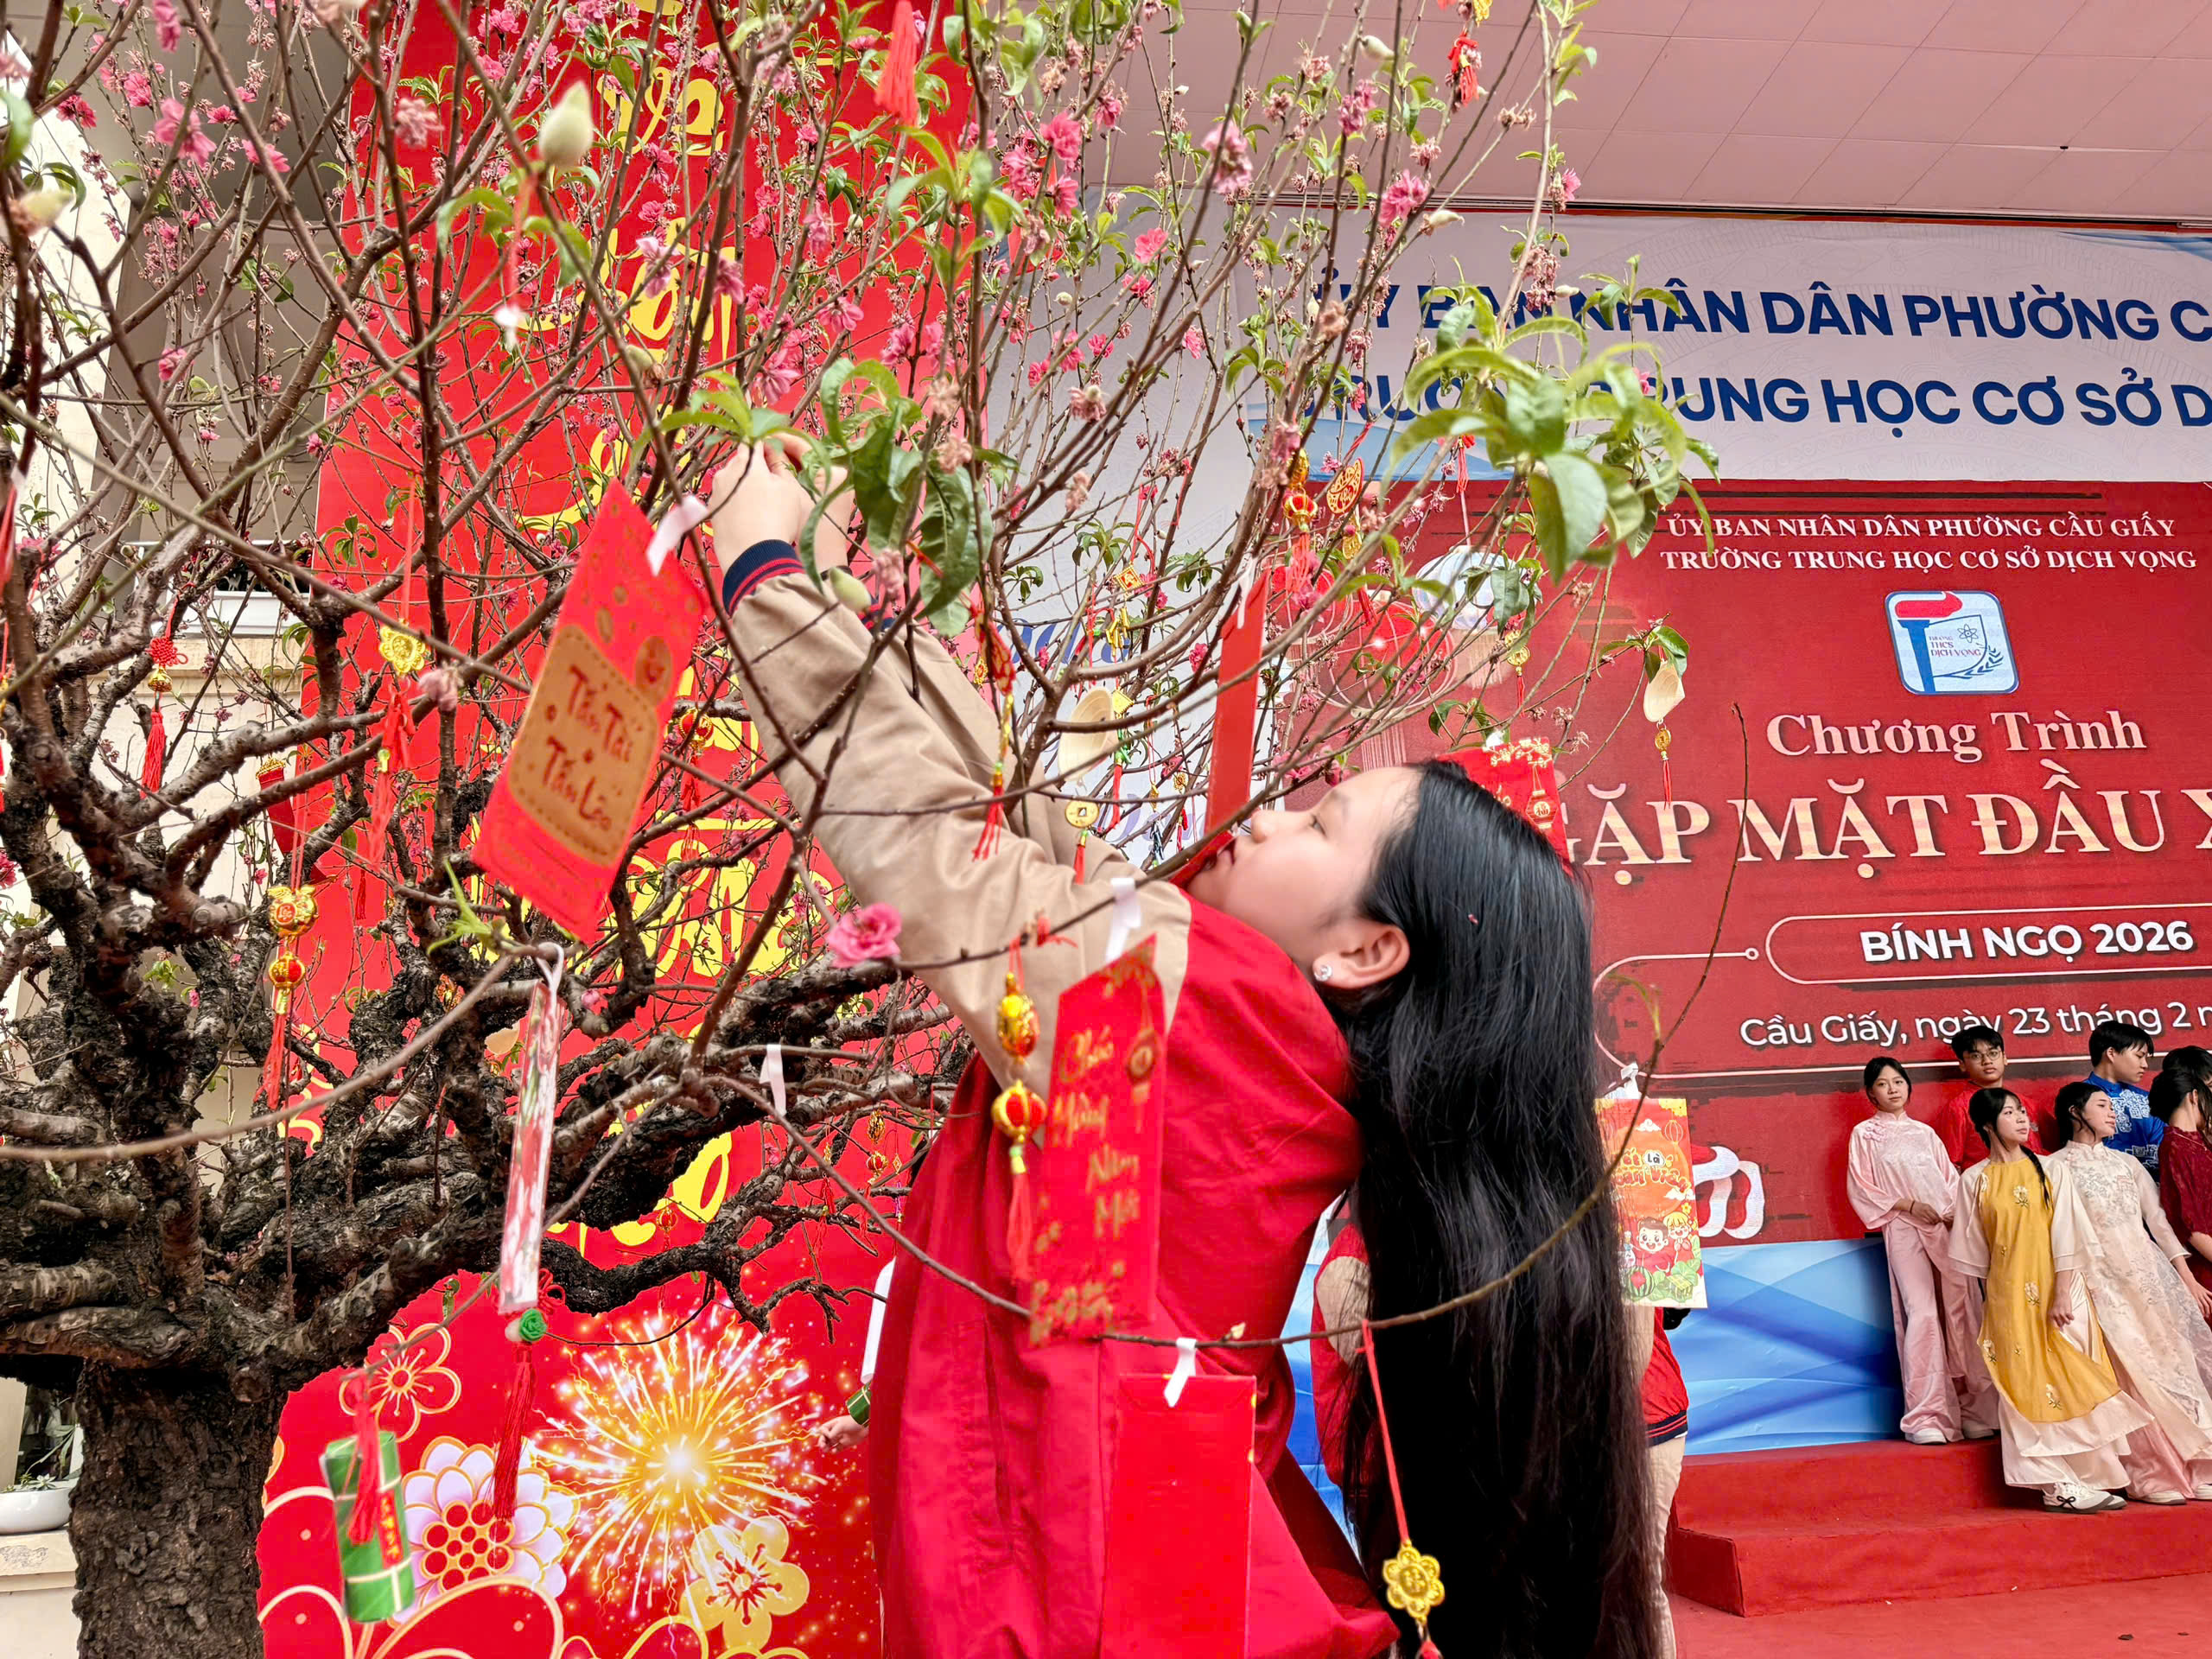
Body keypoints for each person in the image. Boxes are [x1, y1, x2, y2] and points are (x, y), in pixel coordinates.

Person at [708, 443, 1659, 1659]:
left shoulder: (1204, 1009)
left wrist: (764, 574)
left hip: (1081, 1589)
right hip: (1136, 1566)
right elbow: (1024, 828)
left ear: (1364, 951)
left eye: (1317, 823)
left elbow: (942, 858)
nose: (1264, 818)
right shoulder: (1255, 1039)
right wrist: (846, 593)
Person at [1949, 1088, 2150, 1512]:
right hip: (2007, 1300)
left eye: (2022, 1111)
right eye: (2010, 1113)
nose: (2023, 1119)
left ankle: (2085, 1478)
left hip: (2060, 1296)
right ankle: (2054, 1485)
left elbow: (2067, 1235)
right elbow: (1978, 1256)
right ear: (1986, 1125)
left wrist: (2061, 1295)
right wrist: (1997, 1305)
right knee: (2021, 1384)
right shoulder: (1973, 1180)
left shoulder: (2050, 1169)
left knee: (2070, 1378)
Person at [2048, 1081, 2212, 1502]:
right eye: (2102, 1105)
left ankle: (2198, 1466)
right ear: (2075, 1112)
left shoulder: (2127, 1163)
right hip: (2098, 1278)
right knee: (2130, 1371)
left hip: (2146, 1275)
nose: (2112, 1113)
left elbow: (2158, 1222)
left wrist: (2185, 1277)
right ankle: (2151, 1474)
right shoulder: (2054, 1167)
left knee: (2173, 1363)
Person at [1846, 1057, 1995, 1444]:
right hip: (1903, 1228)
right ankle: (1927, 1415)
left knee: (1960, 1311)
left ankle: (1970, 1410)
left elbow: (1950, 1181)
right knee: (1924, 1313)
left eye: (1898, 1081)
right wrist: (1909, 1206)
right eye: (1883, 1084)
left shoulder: (1925, 1133)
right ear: (1871, 1094)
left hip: (1945, 1228)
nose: (1893, 1089)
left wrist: (1954, 1214)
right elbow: (1862, 1186)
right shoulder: (1865, 1134)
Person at [1927, 1025, 2035, 1170]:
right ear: (1962, 1064)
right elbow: (1949, 1167)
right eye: (1976, 1056)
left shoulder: (2028, 1104)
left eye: (1993, 1053)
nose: (1987, 1061)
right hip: (1986, 1182)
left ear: (2004, 1057)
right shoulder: (1958, 1109)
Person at [2153, 1048, 2212, 1309]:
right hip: (2206, 1264)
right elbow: (2191, 1227)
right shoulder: (2175, 1147)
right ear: (2194, 1096)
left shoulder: (2197, 1143)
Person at [2085, 1019, 2162, 1174]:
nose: (2145, 1065)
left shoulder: (2149, 1101)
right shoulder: (2079, 1099)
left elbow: (2161, 1152)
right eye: (2139, 1056)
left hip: (2151, 1184)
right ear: (2111, 1053)